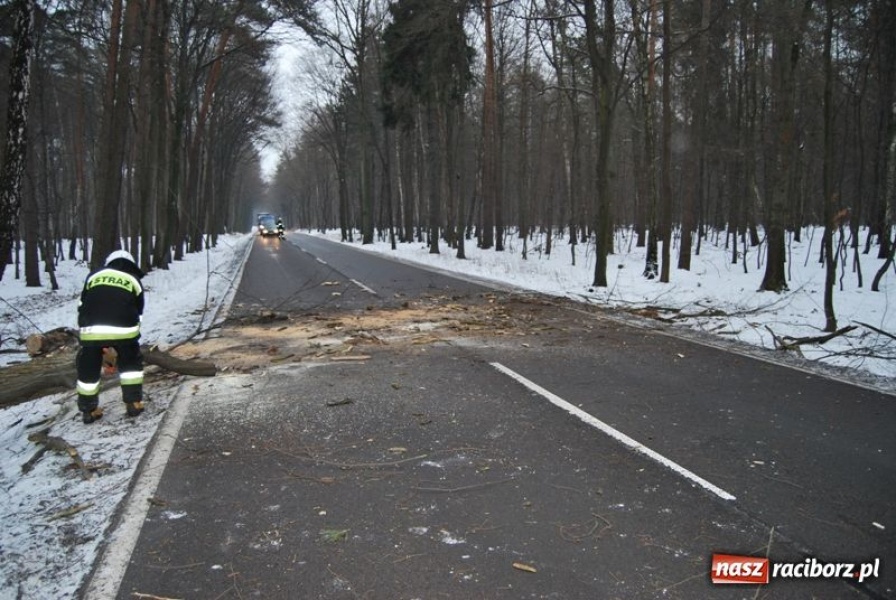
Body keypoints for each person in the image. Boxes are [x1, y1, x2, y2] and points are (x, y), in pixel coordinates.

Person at [75, 249, 146, 424]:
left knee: (88, 369)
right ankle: (133, 402)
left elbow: (82, 304)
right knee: (130, 364)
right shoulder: (133, 280)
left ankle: (88, 410)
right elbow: (139, 312)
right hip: (124, 330)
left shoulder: (94, 276)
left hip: (91, 331)